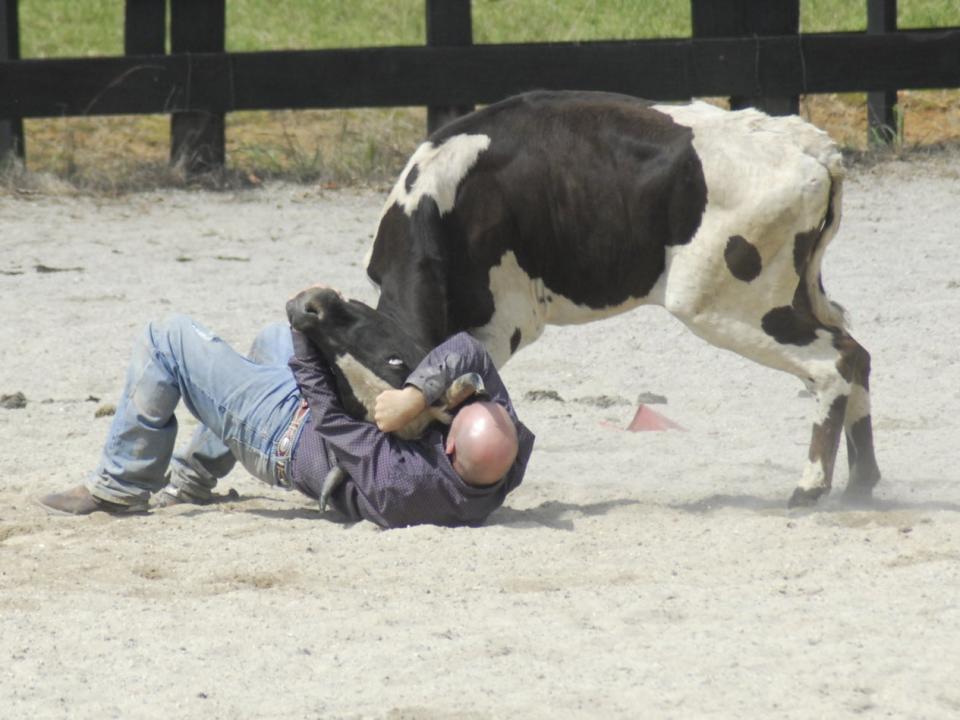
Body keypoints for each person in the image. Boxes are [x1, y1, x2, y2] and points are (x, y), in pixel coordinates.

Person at [39, 296, 535, 528]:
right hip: (317, 423)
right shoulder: (504, 456)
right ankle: (192, 477)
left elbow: (330, 419)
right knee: (267, 342)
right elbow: (470, 351)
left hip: (288, 434)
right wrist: (418, 395)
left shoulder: (405, 485)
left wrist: (307, 332)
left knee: (165, 337)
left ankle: (120, 486)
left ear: (448, 448)